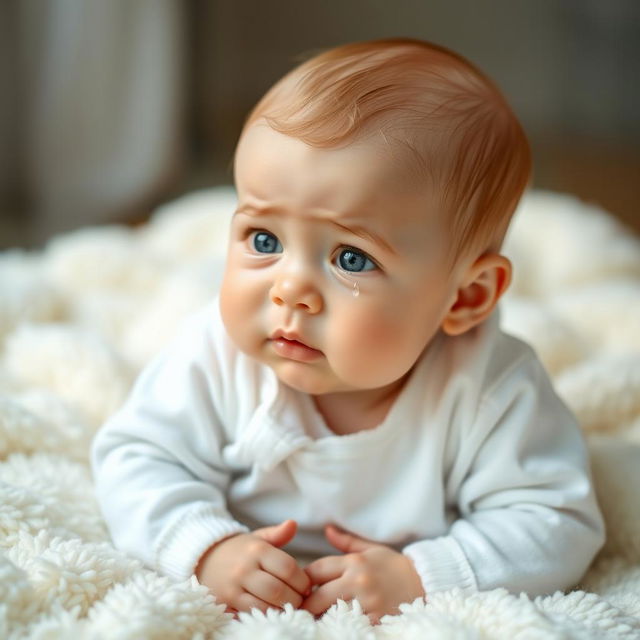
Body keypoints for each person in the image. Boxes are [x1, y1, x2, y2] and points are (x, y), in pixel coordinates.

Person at [91, 38, 605, 623]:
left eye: (352, 259)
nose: (289, 290)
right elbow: (135, 457)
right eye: (265, 241)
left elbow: (555, 522)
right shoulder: (217, 354)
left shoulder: (490, 388)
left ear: (466, 296)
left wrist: (423, 576)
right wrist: (206, 547)